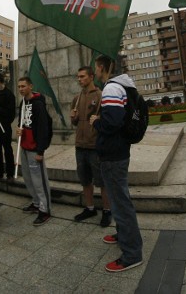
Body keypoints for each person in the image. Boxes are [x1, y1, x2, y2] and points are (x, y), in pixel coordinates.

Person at [89, 55, 143, 273]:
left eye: (96, 68)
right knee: (119, 197)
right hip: (119, 151)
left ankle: (132, 254)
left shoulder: (112, 88)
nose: (96, 72)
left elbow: (112, 122)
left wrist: (96, 121)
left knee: (120, 203)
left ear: (102, 68)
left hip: (112, 154)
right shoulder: (124, 85)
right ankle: (123, 235)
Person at [70, 66, 112, 227]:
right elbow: (74, 122)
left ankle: (107, 210)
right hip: (80, 145)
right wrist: (73, 118)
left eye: (82, 76)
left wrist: (98, 119)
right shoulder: (77, 97)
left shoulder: (101, 96)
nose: (79, 79)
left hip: (95, 146)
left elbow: (107, 121)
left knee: (101, 181)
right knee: (85, 179)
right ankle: (90, 208)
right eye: (78, 77)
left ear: (91, 77)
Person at [16, 76, 52, 226]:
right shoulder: (22, 102)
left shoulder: (38, 104)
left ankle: (45, 209)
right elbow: (22, 123)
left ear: (30, 86)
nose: (21, 89)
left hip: (34, 149)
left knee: (39, 180)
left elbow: (44, 128)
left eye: (23, 86)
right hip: (24, 147)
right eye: (19, 87)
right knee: (29, 179)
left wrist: (40, 151)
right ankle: (36, 203)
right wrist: (19, 130)